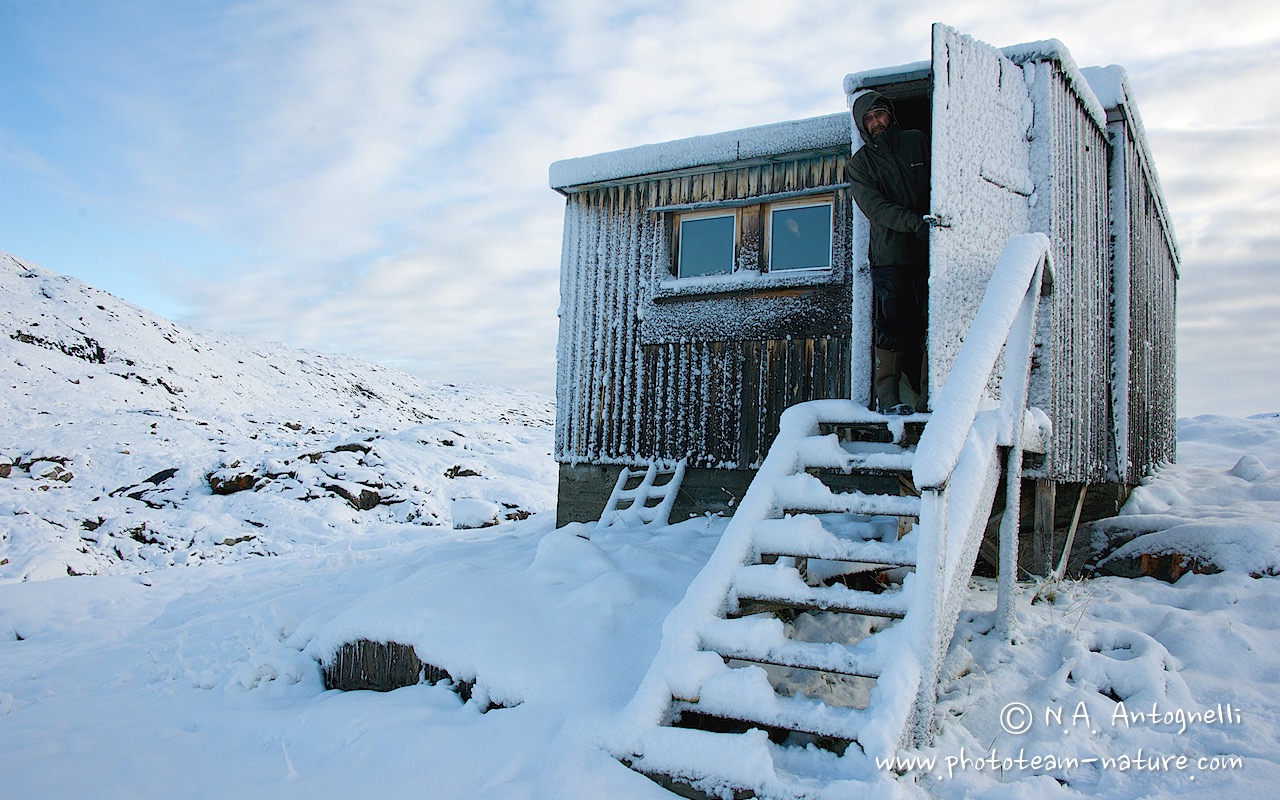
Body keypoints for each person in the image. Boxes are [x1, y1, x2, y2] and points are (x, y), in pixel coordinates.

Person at [846, 91, 931, 415]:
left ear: (890, 115)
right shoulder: (861, 164)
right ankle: (890, 399)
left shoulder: (916, 142)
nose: (875, 122)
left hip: (928, 251)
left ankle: (928, 398)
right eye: (868, 119)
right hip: (890, 256)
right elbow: (875, 208)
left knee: (930, 322)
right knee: (895, 325)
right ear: (862, 126)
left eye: (879, 115)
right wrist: (913, 222)